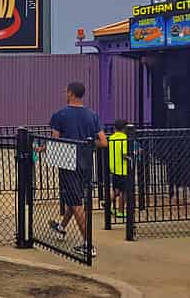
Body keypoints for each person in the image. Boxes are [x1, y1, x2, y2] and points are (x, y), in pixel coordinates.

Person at [47, 82, 108, 258]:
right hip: (86, 163)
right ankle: (62, 226)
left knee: (75, 202)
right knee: (74, 198)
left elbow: (56, 140)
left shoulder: (60, 115)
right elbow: (103, 142)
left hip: (67, 162)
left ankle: (88, 244)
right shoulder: (92, 115)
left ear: (71, 93)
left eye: (66, 91)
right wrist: (87, 144)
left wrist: (44, 149)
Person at [108, 119, 129, 218]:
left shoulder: (111, 138)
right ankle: (121, 211)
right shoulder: (124, 138)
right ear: (125, 128)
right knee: (123, 191)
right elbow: (124, 154)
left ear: (114, 128)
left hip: (113, 168)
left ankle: (108, 204)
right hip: (123, 168)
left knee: (116, 189)